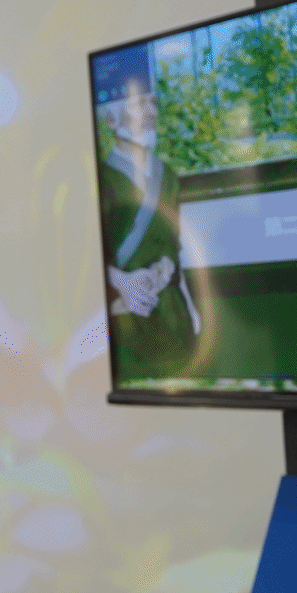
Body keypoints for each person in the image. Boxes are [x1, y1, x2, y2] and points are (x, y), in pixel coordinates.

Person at [95, 68, 202, 381]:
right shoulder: (101, 179)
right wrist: (121, 282)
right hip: (125, 324)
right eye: (138, 105)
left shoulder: (167, 175)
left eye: (152, 103)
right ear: (111, 119)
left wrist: (190, 307)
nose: (150, 113)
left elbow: (174, 246)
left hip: (172, 316)